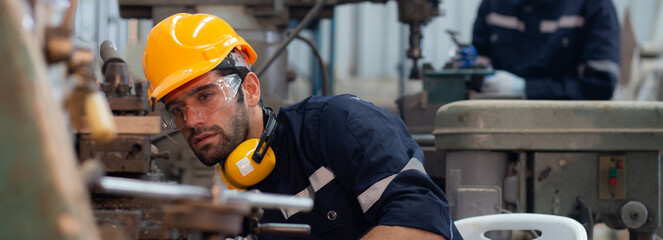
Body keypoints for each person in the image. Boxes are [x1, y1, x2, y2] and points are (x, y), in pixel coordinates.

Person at [143, 13, 461, 240]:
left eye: (206, 95)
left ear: (250, 89)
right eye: (177, 109)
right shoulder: (234, 203)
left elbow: (423, 225)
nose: (192, 120)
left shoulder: (337, 125)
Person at [472, 0, 620, 100]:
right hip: (498, 126)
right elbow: (477, 69)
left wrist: (525, 89)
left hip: (570, 130)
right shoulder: (493, 4)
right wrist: (461, 69)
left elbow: (601, 85)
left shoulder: (594, 5)